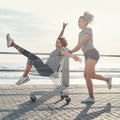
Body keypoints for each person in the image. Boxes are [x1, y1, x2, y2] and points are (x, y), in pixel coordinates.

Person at [6, 23, 82, 85]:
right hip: (45, 67)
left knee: (31, 57)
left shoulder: (62, 50)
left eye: (59, 43)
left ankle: (24, 77)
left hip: (48, 70)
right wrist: (63, 28)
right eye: (56, 42)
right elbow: (59, 37)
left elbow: (65, 53)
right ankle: (12, 44)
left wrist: (72, 56)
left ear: (63, 44)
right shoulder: (57, 49)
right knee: (30, 56)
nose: (57, 43)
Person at [69, 12, 112, 103]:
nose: (78, 23)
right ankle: (107, 79)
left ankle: (91, 97)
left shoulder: (88, 30)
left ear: (85, 22)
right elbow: (79, 46)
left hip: (93, 54)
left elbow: (80, 44)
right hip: (87, 56)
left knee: (87, 75)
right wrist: (71, 51)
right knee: (90, 75)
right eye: (78, 21)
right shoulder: (79, 33)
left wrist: (71, 51)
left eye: (80, 21)